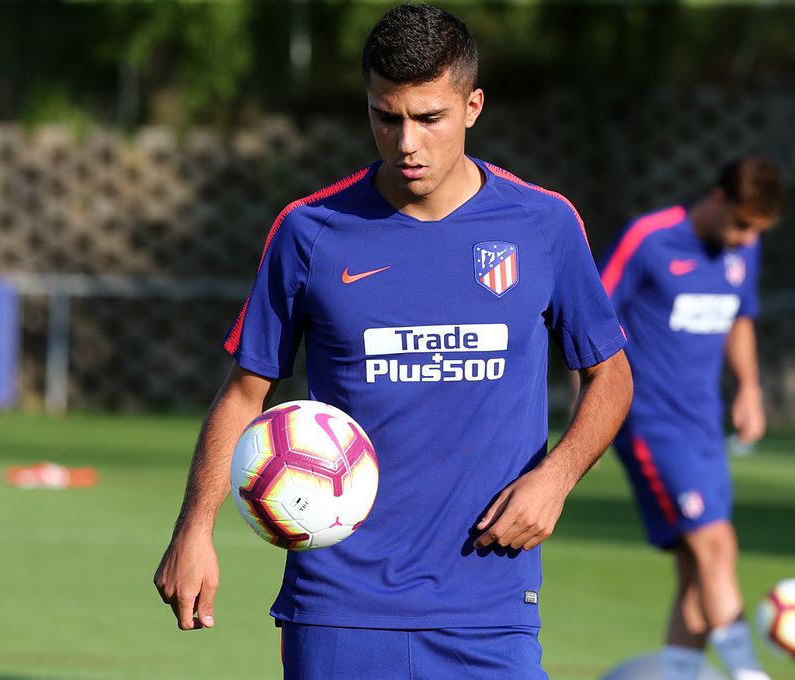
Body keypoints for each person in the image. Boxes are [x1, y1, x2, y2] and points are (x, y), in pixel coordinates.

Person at [153, 4, 632, 679]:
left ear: (472, 106)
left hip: (489, 603)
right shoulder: (309, 231)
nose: (407, 142)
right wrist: (194, 530)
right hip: (339, 603)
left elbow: (610, 374)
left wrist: (556, 476)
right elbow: (244, 393)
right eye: (386, 116)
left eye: (429, 118)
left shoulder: (543, 225)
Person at [597, 156, 784, 680]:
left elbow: (740, 319)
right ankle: (750, 673)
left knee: (694, 566)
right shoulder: (648, 238)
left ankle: (680, 673)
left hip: (705, 425)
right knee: (715, 544)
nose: (748, 239)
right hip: (649, 423)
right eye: (743, 225)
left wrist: (749, 388)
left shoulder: (741, 250)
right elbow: (591, 313)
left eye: (758, 230)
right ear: (717, 198)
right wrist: (593, 404)